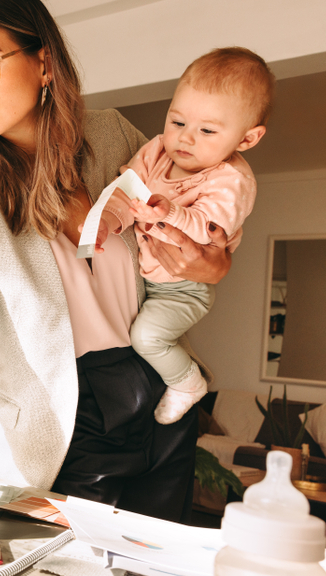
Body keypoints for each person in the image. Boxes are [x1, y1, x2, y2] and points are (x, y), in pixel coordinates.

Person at [0, 0, 231, 526]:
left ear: (45, 63)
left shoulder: (114, 136)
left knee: (154, 568)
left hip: (162, 388)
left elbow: (196, 222)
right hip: (67, 419)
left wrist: (213, 263)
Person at [90, 48, 273, 425]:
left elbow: (209, 229)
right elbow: (127, 191)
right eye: (177, 121)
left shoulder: (231, 180)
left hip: (184, 288)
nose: (185, 139)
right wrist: (107, 219)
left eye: (206, 130)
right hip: (147, 278)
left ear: (247, 139)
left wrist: (170, 212)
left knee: (147, 338)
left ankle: (188, 382)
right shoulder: (156, 151)